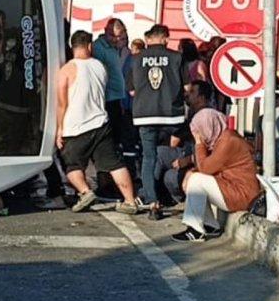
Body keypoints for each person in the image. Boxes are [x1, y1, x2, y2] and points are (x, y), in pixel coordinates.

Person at [57, 30, 143, 214]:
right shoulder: (100, 66)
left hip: (75, 126)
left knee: (72, 165)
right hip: (100, 124)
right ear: (89, 46)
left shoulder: (66, 70)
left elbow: (62, 104)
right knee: (115, 164)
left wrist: (59, 129)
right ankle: (129, 201)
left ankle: (85, 191)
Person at [171, 109, 262, 243]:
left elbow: (205, 168)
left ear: (209, 126)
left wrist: (199, 143)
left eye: (200, 131)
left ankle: (195, 230)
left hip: (243, 194)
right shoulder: (223, 138)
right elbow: (211, 166)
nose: (199, 135)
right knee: (196, 179)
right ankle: (209, 225)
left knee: (197, 180)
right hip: (234, 186)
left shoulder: (228, 141)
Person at [130, 24, 188, 218]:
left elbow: (131, 91)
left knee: (149, 158)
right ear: (165, 38)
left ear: (149, 38)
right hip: (172, 116)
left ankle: (153, 202)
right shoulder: (177, 58)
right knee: (166, 154)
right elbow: (187, 87)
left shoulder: (136, 59)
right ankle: (170, 191)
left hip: (145, 116)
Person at [155, 80, 212, 207]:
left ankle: (156, 196)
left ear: (201, 98)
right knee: (159, 154)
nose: (187, 95)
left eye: (192, 92)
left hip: (195, 159)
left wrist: (188, 160)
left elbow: (209, 150)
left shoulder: (206, 117)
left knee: (170, 176)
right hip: (187, 152)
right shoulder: (193, 113)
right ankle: (151, 194)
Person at [92, 19, 135, 164]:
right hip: (105, 98)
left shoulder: (122, 50)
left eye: (120, 37)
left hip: (118, 99)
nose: (117, 39)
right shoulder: (99, 48)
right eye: (113, 36)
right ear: (106, 32)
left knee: (118, 133)